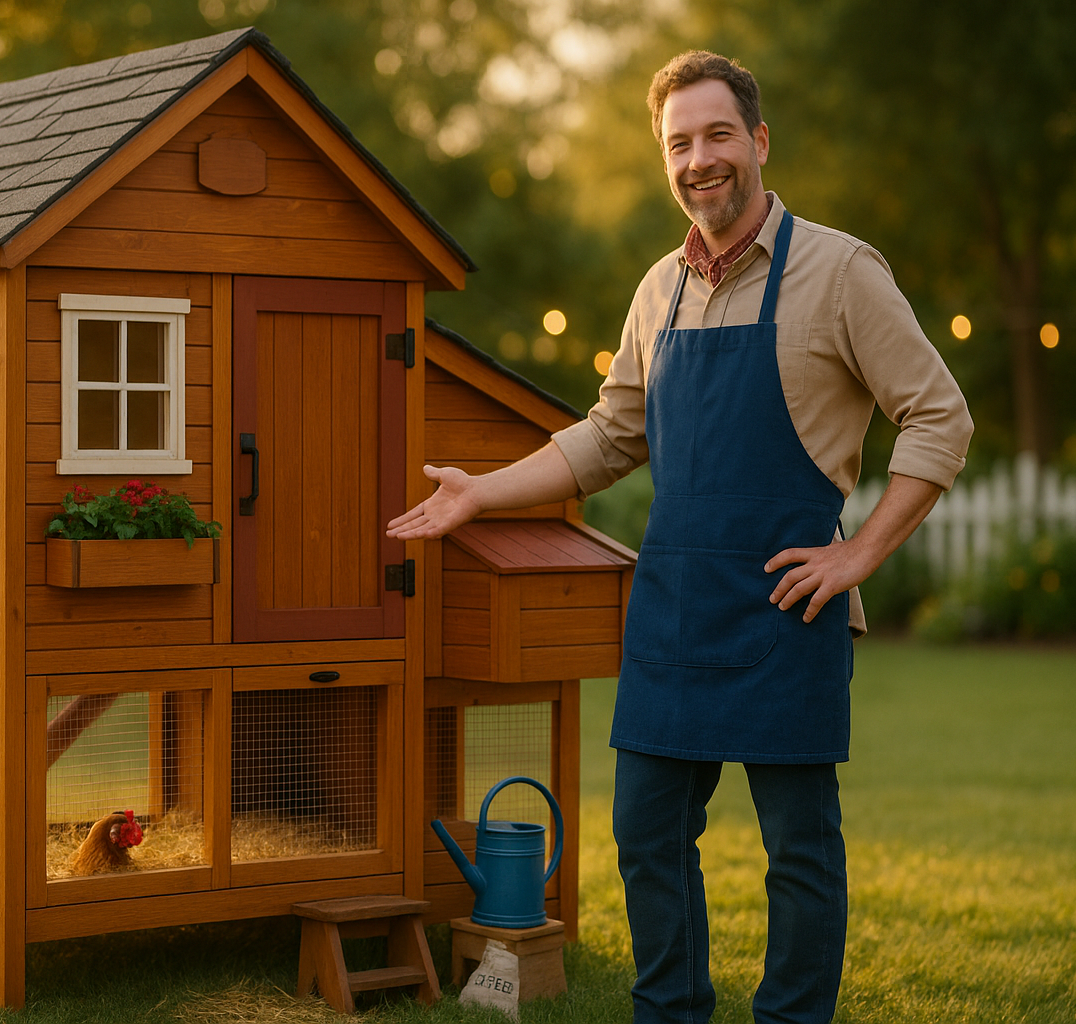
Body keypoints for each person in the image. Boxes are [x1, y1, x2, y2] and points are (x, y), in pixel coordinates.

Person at [388, 50, 972, 1024]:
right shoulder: (660, 288)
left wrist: (859, 551)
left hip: (790, 604)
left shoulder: (839, 270)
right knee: (649, 832)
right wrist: (481, 493)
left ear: (757, 141)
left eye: (716, 135)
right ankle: (671, 1011)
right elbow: (611, 435)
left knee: (798, 845)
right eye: (678, 143)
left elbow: (939, 417)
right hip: (674, 607)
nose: (699, 159)